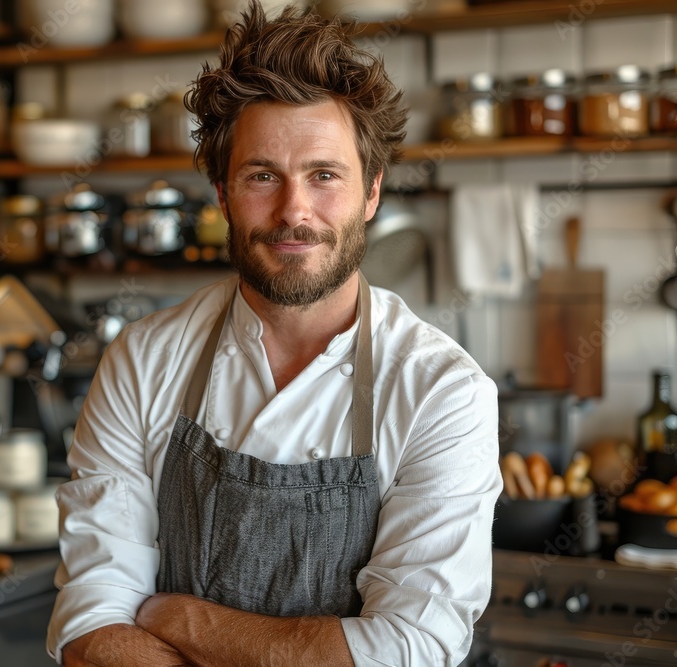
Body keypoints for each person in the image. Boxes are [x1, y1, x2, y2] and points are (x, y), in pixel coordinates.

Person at [46, 3, 502, 665]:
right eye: (263, 176)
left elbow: (409, 645)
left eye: (324, 176)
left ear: (371, 192)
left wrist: (184, 619)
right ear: (224, 195)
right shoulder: (143, 360)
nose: (295, 212)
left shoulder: (442, 391)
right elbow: (93, 619)